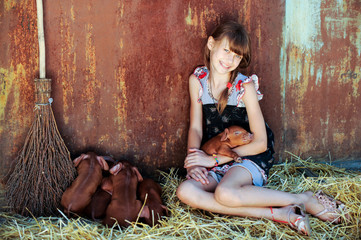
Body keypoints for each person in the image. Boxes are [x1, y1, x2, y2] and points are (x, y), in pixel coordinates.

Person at [176, 21, 347, 236]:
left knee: (225, 194)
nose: (230, 60)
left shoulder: (244, 87)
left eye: (236, 56)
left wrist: (213, 161)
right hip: (218, 154)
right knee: (186, 190)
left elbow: (260, 143)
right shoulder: (197, 80)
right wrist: (194, 161)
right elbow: (196, 129)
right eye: (226, 50)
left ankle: (303, 199)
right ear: (211, 44)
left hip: (249, 155)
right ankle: (285, 214)